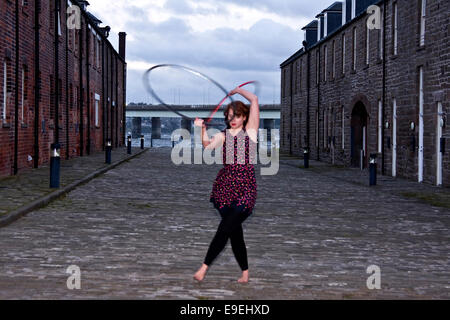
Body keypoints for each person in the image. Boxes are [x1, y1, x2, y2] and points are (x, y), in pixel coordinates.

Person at [193, 86, 259, 283]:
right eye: (230, 116)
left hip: (245, 188)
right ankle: (245, 273)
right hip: (225, 188)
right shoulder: (223, 135)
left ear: (244, 117)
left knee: (225, 228)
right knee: (234, 231)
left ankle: (204, 267)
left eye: (237, 115)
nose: (233, 119)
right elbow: (206, 145)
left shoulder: (252, 131)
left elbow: (254, 99)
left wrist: (238, 91)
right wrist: (201, 129)